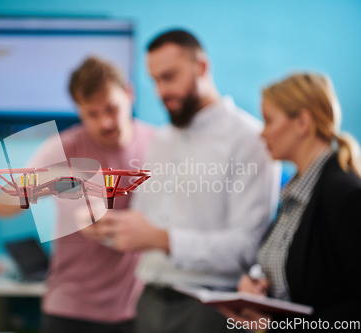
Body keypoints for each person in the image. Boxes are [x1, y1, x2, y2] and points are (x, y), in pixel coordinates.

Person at [96, 29, 281, 333]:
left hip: (211, 309)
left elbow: (246, 248)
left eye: (169, 77)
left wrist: (162, 239)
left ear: (202, 67)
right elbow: (147, 222)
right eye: (154, 80)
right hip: (149, 300)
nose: (160, 91)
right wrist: (110, 228)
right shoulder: (162, 139)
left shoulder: (249, 140)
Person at [0, 57, 156, 333]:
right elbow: (2, 206)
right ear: (79, 110)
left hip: (136, 309)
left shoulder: (158, 144)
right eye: (92, 113)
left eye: (112, 108)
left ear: (129, 94)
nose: (105, 122)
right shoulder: (64, 148)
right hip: (70, 309)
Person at [220, 73, 361, 331]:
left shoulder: (345, 195)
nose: (261, 134)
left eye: (268, 120)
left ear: (302, 122)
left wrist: (278, 327)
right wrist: (257, 283)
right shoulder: (297, 192)